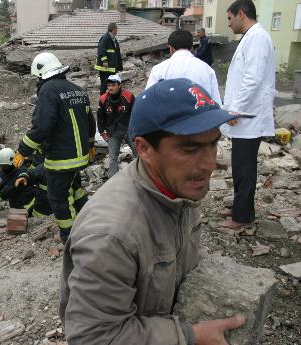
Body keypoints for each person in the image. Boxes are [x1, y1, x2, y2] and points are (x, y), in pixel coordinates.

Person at [59, 78, 250, 345]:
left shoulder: (177, 188)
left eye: (213, 144)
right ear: (145, 149)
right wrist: (189, 336)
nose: (209, 164)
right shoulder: (111, 236)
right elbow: (93, 338)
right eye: (190, 148)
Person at [13, 52, 96, 243]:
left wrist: (23, 151)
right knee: (75, 189)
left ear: (41, 73)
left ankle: (70, 236)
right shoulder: (77, 90)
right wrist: (90, 145)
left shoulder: (48, 90)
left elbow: (41, 126)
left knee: (58, 197)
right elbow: (91, 123)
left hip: (61, 159)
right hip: (80, 156)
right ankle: (89, 219)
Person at [219, 0, 276, 229]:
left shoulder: (258, 38)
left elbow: (252, 79)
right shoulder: (252, 37)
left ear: (241, 14)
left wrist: (235, 110)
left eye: (230, 18)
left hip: (249, 115)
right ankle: (239, 207)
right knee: (240, 164)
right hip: (246, 115)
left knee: (244, 167)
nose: (229, 24)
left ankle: (243, 218)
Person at [145, 29, 221, 105]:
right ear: (191, 48)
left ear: (170, 48)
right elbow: (217, 104)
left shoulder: (158, 69)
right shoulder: (208, 69)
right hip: (202, 115)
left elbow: (147, 100)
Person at [97, 74, 136, 178]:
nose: (110, 88)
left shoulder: (129, 97)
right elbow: (100, 117)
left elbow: (136, 113)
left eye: (113, 85)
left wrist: (136, 130)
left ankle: (141, 176)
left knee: (139, 153)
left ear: (119, 85)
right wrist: (102, 132)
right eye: (108, 85)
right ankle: (113, 180)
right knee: (113, 158)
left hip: (129, 130)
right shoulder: (103, 99)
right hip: (112, 131)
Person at [94, 22, 123, 95]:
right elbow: (101, 50)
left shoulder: (114, 40)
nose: (117, 31)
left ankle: (110, 101)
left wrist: (119, 66)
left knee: (112, 85)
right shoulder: (105, 38)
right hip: (105, 68)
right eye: (117, 29)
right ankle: (102, 103)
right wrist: (104, 61)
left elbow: (117, 54)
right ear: (114, 29)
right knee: (104, 85)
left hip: (111, 68)